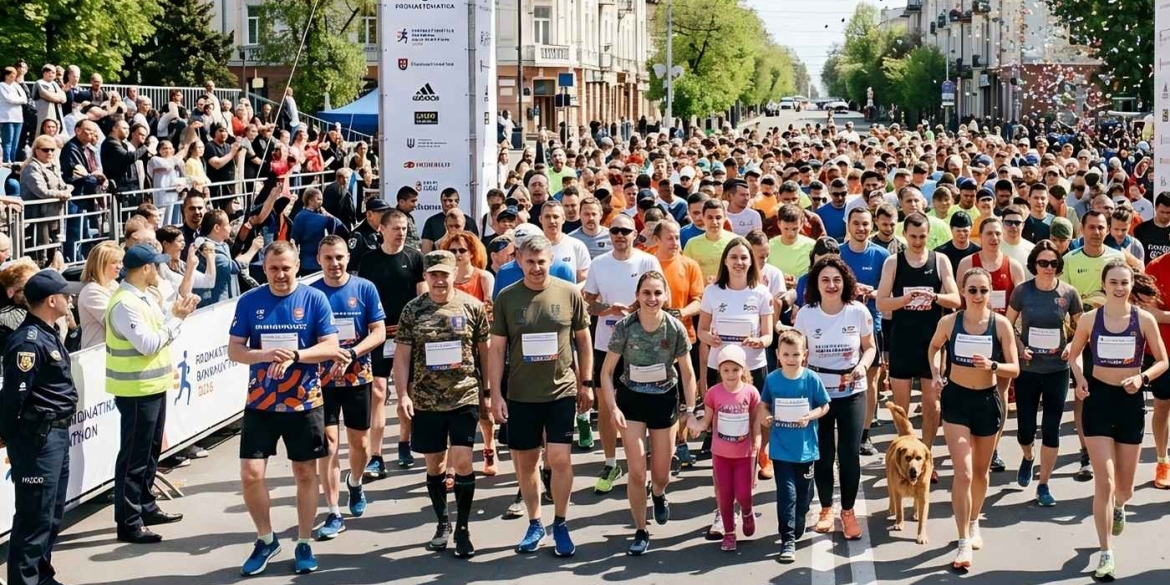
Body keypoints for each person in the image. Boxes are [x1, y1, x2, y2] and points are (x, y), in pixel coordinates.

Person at [227, 241, 346, 576]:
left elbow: (330, 346)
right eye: (273, 269)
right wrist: (262, 355)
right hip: (261, 402)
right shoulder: (251, 301)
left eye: (286, 268)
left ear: (296, 267)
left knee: (305, 474)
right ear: (264, 270)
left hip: (304, 402)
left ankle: (304, 541)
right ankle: (266, 539)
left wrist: (295, 356)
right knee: (251, 474)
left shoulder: (314, 299)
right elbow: (235, 350)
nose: (280, 274)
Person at [488, 234, 593, 557]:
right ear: (519, 261)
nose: (535, 268)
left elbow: (583, 341)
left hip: (560, 390)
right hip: (520, 394)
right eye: (529, 262)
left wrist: (586, 383)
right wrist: (495, 394)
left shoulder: (569, 293)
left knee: (559, 459)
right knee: (527, 461)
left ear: (552, 261)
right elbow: (497, 350)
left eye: (541, 262)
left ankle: (560, 522)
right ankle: (535, 522)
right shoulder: (507, 297)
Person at [1066, 260, 1168, 580]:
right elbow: (1074, 354)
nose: (1119, 288)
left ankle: (1120, 507)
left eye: (1125, 282)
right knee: (1105, 482)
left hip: (1129, 401)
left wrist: (1143, 379)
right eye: (1114, 282)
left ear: (1130, 284)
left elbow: (1163, 361)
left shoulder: (1144, 319)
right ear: (1104, 283)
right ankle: (1106, 551)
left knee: (1124, 488)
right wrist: (1080, 378)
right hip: (1098, 400)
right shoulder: (1089, 319)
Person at [392, 250, 490, 558]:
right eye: (432, 274)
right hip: (427, 401)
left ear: (454, 273)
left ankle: (463, 527)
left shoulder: (472, 307)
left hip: (464, 395)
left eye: (443, 274)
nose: (438, 279)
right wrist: (403, 395)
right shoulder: (413, 310)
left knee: (462, 462)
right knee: (434, 465)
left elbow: (485, 351)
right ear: (426, 276)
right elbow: (402, 355)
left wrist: (488, 391)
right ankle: (442, 522)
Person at [106, 245, 200, 544]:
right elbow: (148, 343)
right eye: (156, 266)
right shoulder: (125, 303)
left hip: (151, 387)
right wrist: (177, 320)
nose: (160, 271)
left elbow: (158, 331)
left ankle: (145, 506)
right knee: (134, 459)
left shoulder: (141, 297)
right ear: (145, 268)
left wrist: (173, 317)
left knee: (149, 454)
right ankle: (129, 521)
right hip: (135, 391)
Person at [927, 267, 1020, 570]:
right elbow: (934, 348)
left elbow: (1014, 369)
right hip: (956, 401)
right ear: (963, 293)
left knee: (980, 472)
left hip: (987, 401)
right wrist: (937, 374)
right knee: (963, 472)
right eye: (972, 290)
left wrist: (993, 365)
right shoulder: (949, 321)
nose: (978, 296)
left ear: (990, 292)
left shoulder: (1001, 324)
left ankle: (974, 519)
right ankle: (963, 538)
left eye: (983, 290)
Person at [599, 270, 698, 555]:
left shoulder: (675, 328)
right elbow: (606, 373)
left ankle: (659, 493)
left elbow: (688, 373)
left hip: (664, 400)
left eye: (657, 293)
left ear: (665, 296)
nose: (652, 298)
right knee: (637, 471)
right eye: (646, 293)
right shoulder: (625, 327)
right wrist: (613, 407)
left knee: (661, 474)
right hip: (631, 401)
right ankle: (641, 530)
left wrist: (690, 411)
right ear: (638, 296)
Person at [0, 270, 76, 585]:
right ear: (51, 300)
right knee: (35, 516)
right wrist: (10, 437)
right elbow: (13, 398)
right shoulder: (27, 343)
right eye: (66, 295)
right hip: (38, 439)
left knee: (51, 512)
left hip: (55, 434)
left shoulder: (47, 332)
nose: (70, 299)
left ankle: (41, 575)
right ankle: (24, 580)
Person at [309, 236, 387, 540]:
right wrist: (326, 354)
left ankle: (355, 482)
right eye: (328, 258)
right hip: (322, 381)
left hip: (358, 378)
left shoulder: (364, 288)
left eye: (339, 257)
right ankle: (333, 511)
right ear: (319, 260)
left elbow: (378, 331)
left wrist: (353, 353)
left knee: (361, 445)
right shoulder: (310, 293)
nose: (334, 263)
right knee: (328, 445)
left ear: (347, 257)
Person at [795, 256, 876, 541]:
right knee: (824, 454)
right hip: (819, 393)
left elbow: (870, 348)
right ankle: (827, 508)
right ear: (816, 284)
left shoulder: (857, 311)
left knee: (849, 454)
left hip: (853, 391)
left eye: (837, 280)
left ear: (846, 283)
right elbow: (798, 351)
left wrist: (861, 367)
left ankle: (849, 511)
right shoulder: (806, 313)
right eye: (825, 280)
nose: (831, 285)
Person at [697, 237, 773, 537]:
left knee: (754, 436)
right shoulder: (713, 291)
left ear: (751, 262)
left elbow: (768, 336)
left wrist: (759, 342)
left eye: (745, 257)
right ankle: (722, 510)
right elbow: (702, 330)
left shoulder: (761, 292)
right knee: (724, 436)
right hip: (722, 369)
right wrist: (710, 339)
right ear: (725, 261)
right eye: (734, 257)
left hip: (753, 369)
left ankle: (747, 492)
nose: (740, 262)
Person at [876, 212, 961, 482]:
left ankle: (925, 456)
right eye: (912, 236)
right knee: (901, 406)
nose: (917, 241)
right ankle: (905, 455)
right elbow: (881, 303)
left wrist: (933, 297)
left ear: (929, 235)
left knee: (931, 404)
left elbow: (956, 300)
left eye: (922, 236)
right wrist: (906, 299)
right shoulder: (894, 262)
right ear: (904, 235)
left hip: (932, 343)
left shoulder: (940, 260)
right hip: (902, 341)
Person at [583, 214, 662, 494]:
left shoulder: (647, 261)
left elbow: (662, 298)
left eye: (625, 231)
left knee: (647, 405)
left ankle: (647, 464)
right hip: (607, 346)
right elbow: (586, 302)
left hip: (643, 346)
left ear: (634, 233)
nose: (619, 235)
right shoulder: (599, 264)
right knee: (606, 407)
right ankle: (610, 462)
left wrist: (634, 309)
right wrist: (605, 308)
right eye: (615, 230)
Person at [1005, 241, 1083, 506]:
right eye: (1043, 263)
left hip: (1057, 370)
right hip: (1028, 369)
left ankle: (1044, 484)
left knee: (1051, 429)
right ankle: (1028, 457)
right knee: (1026, 430)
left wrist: (1072, 346)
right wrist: (1019, 347)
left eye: (1053, 263)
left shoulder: (1069, 293)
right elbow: (1007, 324)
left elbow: (1080, 328)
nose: (1048, 268)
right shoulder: (1022, 291)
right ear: (1034, 264)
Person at [358, 209, 427, 475]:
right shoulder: (368, 260)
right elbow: (363, 298)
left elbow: (421, 299)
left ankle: (404, 442)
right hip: (378, 335)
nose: (400, 233)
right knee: (377, 392)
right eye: (396, 228)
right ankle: (376, 455)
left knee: (405, 392)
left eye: (404, 229)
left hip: (406, 337)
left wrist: (414, 330)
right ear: (382, 230)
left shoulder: (415, 257)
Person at [756, 329, 831, 562]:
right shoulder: (772, 379)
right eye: (786, 354)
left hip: (806, 450)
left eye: (795, 354)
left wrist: (811, 416)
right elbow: (763, 405)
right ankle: (787, 538)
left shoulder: (810, 379)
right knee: (786, 494)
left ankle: (800, 516)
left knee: (803, 493)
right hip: (781, 450)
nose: (791, 359)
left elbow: (825, 405)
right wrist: (765, 418)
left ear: (804, 355)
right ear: (778, 354)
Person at [1061, 210, 1124, 479]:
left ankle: (1114, 448)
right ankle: (1085, 452)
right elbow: (1062, 302)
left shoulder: (1117, 258)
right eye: (1091, 227)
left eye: (1101, 227)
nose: (1096, 232)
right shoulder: (1069, 261)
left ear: (1107, 229)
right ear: (1082, 230)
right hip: (1083, 338)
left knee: (1115, 394)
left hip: (1115, 339)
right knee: (1083, 395)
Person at [687, 344, 761, 552]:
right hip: (721, 454)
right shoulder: (713, 393)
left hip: (744, 454)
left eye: (735, 370)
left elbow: (755, 421)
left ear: (743, 370)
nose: (730, 374)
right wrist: (696, 426)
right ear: (719, 370)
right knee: (725, 495)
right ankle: (729, 533)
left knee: (744, 493)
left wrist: (756, 442)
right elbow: (707, 422)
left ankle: (746, 512)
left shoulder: (751, 393)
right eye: (726, 370)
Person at [440, 230, 499, 475]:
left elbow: (489, 314)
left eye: (462, 250)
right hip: (451, 350)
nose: (457, 255)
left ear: (472, 252)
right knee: (451, 407)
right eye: (452, 251)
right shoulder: (445, 279)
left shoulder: (483, 277)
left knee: (484, 408)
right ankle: (452, 464)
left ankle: (488, 446)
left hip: (478, 348)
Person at [652, 220, 705, 469]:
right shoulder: (648, 262)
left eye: (677, 237)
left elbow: (699, 300)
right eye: (670, 238)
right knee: (660, 395)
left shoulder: (690, 265)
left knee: (685, 395)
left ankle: (680, 443)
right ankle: (661, 446)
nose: (675, 243)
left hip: (686, 337)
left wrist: (681, 312)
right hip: (653, 342)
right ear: (657, 239)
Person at [838, 207, 889, 456]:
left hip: (871, 327)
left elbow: (888, 293)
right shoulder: (837, 253)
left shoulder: (881, 255)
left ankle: (865, 434)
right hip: (840, 328)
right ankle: (841, 431)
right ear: (848, 225)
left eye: (866, 224)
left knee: (870, 382)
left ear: (873, 225)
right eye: (856, 223)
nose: (861, 228)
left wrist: (872, 292)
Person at [77, 241, 124, 349]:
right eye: (114, 262)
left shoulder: (114, 285)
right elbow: (115, 323)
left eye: (120, 262)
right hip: (96, 356)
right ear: (100, 264)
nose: (119, 266)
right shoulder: (92, 291)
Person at [290, 187, 347, 274]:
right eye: (318, 199)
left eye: (321, 199)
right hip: (315, 263)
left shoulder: (299, 216)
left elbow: (293, 240)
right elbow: (344, 230)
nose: (321, 202)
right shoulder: (323, 218)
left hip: (311, 262)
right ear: (310, 200)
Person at [685, 199, 736, 283]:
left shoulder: (734, 242)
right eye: (710, 217)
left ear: (725, 218)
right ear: (703, 218)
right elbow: (686, 273)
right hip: (702, 293)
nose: (714, 222)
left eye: (718, 217)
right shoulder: (691, 244)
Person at [421, 188, 477, 252]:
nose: (447, 203)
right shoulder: (431, 221)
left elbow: (475, 248)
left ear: (457, 202)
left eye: (450, 200)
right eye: (444, 200)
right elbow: (425, 251)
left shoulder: (470, 222)